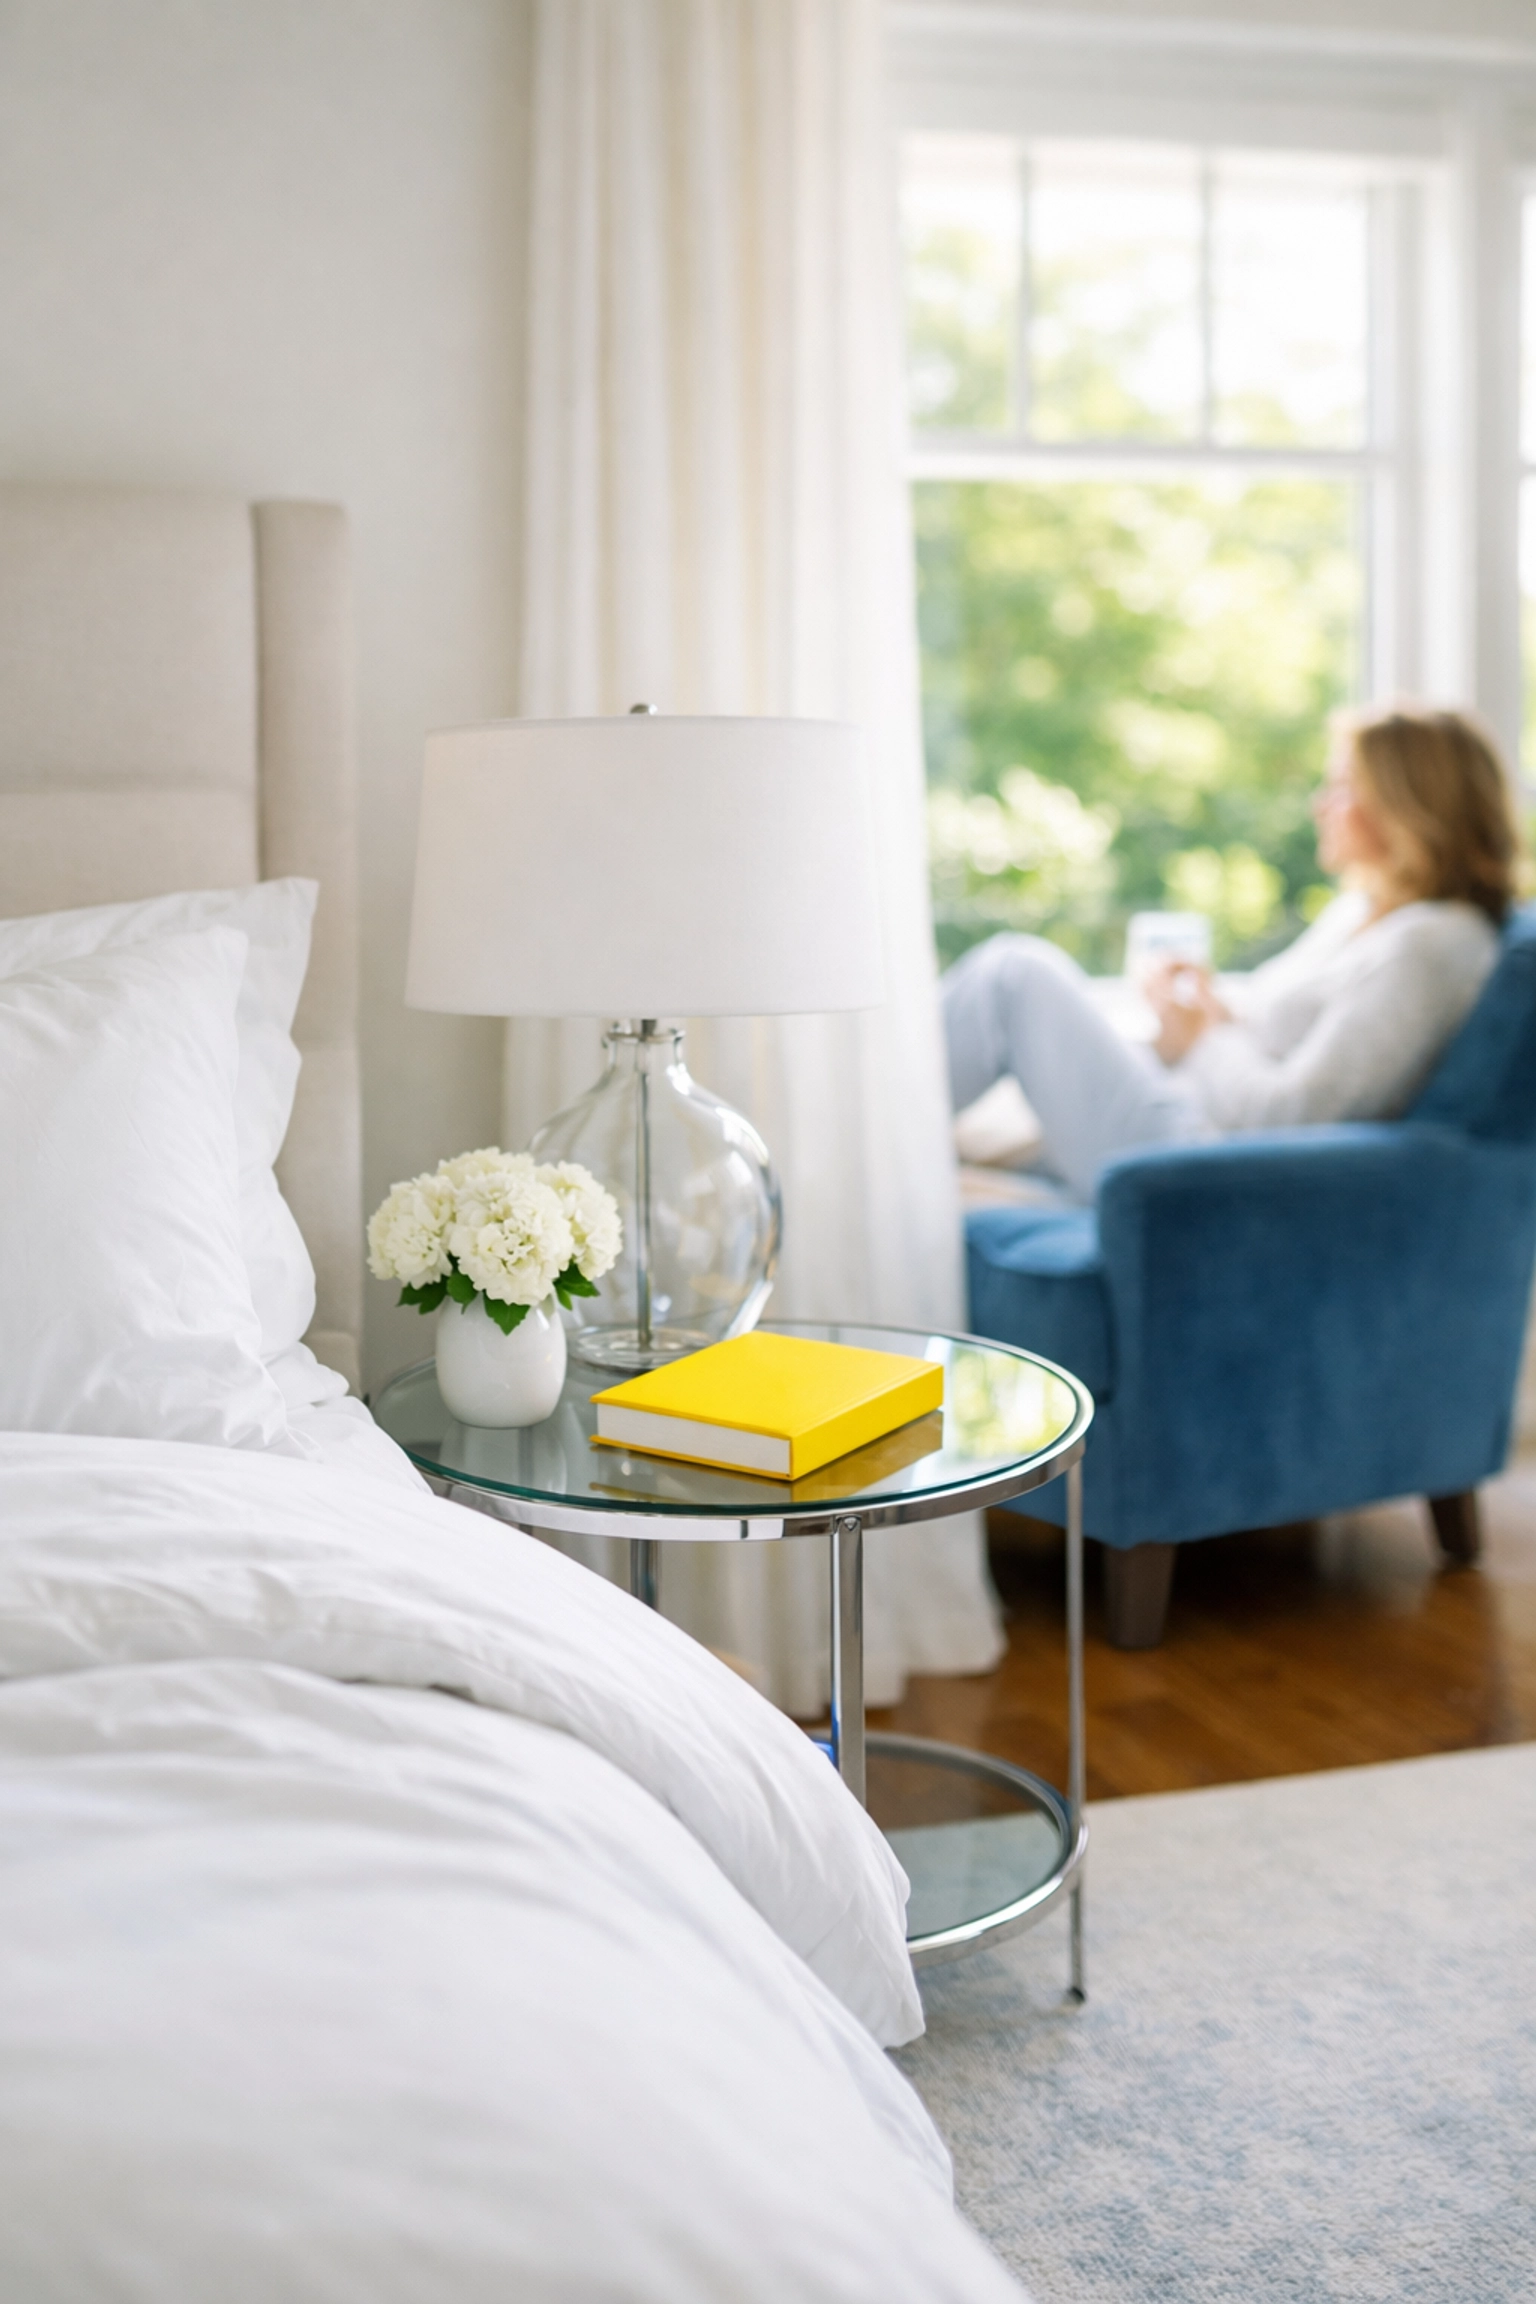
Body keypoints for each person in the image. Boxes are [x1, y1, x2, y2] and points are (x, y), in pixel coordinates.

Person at [941, 704, 1525, 1201]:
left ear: (1410, 809)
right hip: (1191, 1105)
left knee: (1013, 978)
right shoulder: (1364, 911)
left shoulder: (1429, 947)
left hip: (1206, 1155)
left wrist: (1202, 1037)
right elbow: (1267, 1017)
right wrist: (1199, 1013)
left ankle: (858, 1123)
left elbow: (1294, 1117)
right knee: (962, 1135)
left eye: (1344, 789)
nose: (1320, 805)